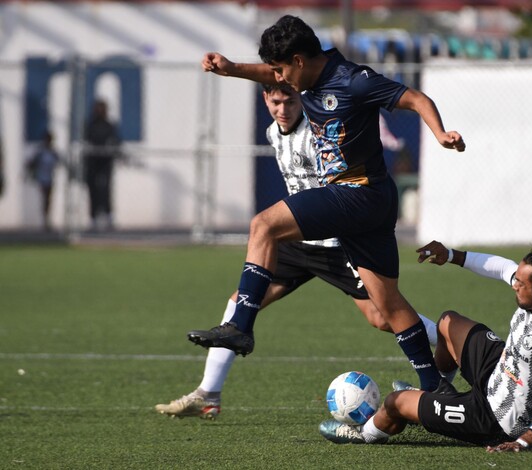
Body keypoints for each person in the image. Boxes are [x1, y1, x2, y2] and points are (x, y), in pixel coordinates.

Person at [187, 15, 465, 392]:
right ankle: (435, 387)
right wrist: (232, 69)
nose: (279, 78)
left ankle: (241, 327)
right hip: (373, 200)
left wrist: (440, 133)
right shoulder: (305, 76)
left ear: (299, 61)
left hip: (356, 193)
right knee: (387, 306)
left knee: (263, 225)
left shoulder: (353, 80)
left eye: (282, 69)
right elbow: (270, 76)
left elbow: (414, 98)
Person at [156, 83, 438, 419]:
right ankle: (208, 393)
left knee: (382, 316)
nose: (282, 109)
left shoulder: (319, 133)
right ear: (266, 101)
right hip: (297, 243)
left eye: (289, 101)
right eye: (275, 102)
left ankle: (451, 340)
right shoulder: (273, 132)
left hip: (336, 245)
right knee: (240, 302)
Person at [319, 238, 532, 452]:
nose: (513, 284)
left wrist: (524, 440)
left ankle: (364, 434)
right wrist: (450, 255)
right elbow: (503, 267)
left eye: (520, 282)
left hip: (496, 419)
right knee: (448, 322)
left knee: (395, 403)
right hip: (500, 371)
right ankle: (438, 389)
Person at [83, 99, 120, 231]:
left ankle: (108, 216)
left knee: (105, 190)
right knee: (93, 190)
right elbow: (85, 140)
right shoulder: (90, 125)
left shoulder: (109, 126)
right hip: (92, 162)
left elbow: (116, 141)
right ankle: (93, 218)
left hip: (105, 162)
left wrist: (111, 148)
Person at [25, 130, 62, 231]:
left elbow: (59, 161)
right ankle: (45, 219)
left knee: (48, 199)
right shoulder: (41, 152)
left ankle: (47, 218)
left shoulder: (52, 152)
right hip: (42, 178)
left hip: (49, 178)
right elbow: (31, 163)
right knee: (44, 198)